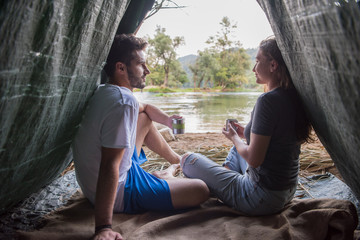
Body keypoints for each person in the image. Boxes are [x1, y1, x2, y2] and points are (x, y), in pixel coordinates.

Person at [72, 34, 209, 240]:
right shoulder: (124, 102)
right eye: (141, 64)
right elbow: (109, 165)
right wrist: (103, 228)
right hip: (121, 190)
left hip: (101, 180)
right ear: (120, 68)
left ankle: (175, 161)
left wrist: (169, 121)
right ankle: (167, 177)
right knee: (200, 189)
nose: (147, 70)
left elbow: (144, 109)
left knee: (144, 118)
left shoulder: (107, 90)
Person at [181, 36, 312, 216]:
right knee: (237, 150)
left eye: (257, 61)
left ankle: (223, 186)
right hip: (286, 191)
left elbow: (253, 160)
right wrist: (245, 133)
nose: (253, 68)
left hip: (260, 198)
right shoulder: (291, 96)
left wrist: (234, 137)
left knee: (188, 160)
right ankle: (224, 181)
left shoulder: (267, 100)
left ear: (273, 65)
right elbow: (275, 138)